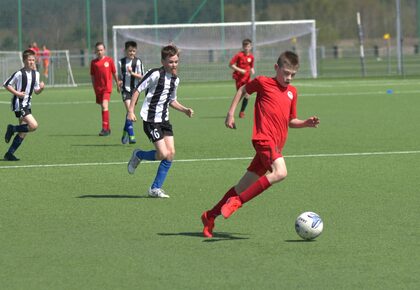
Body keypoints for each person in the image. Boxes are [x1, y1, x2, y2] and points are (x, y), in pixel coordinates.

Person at [201, 51, 320, 238]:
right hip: (263, 140)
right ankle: (237, 202)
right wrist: (231, 113)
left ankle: (210, 216)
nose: (289, 78)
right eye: (286, 73)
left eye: (293, 75)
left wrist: (305, 123)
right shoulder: (264, 82)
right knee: (280, 172)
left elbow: (291, 120)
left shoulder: (292, 92)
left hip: (275, 147)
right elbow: (242, 90)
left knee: (242, 186)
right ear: (276, 68)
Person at [126, 44, 194, 198]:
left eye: (176, 61)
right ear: (163, 62)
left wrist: (185, 110)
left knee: (170, 154)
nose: (174, 64)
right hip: (150, 119)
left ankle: (155, 188)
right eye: (170, 62)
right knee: (163, 153)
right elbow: (137, 90)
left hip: (164, 119)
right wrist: (130, 111)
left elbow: (171, 100)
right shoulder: (155, 74)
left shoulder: (175, 80)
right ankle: (139, 155)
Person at [3, 49, 45, 161]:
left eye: (33, 60)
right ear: (24, 61)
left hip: (27, 104)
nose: (32, 62)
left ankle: (9, 154)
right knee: (33, 126)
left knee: (23, 131)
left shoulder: (36, 74)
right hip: (19, 103)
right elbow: (6, 84)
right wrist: (17, 93)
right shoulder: (19, 73)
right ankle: (12, 128)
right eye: (29, 60)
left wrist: (41, 88)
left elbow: (36, 91)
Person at [90, 41, 120, 136]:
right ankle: (108, 128)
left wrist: (118, 84)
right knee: (104, 108)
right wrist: (94, 88)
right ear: (95, 51)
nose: (99, 52)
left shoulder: (109, 60)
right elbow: (93, 76)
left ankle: (104, 129)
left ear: (104, 50)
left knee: (104, 105)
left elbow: (114, 73)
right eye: (98, 50)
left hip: (107, 88)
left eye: (101, 50)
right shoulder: (93, 63)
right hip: (98, 89)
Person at [118, 41, 145, 144]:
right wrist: (119, 83)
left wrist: (132, 73)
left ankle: (125, 133)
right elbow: (120, 76)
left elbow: (142, 76)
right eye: (130, 51)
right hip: (125, 90)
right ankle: (131, 135)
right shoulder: (121, 62)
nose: (132, 53)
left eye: (134, 51)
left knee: (130, 112)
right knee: (130, 110)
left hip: (135, 90)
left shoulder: (138, 62)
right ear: (125, 51)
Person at [229, 38, 255, 119]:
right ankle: (231, 112)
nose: (247, 48)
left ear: (251, 47)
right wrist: (240, 70)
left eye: (248, 46)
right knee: (240, 96)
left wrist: (252, 70)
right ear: (243, 47)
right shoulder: (239, 55)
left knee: (247, 95)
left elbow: (251, 66)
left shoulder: (251, 57)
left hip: (247, 79)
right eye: (245, 46)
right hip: (239, 79)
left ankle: (242, 112)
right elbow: (231, 65)